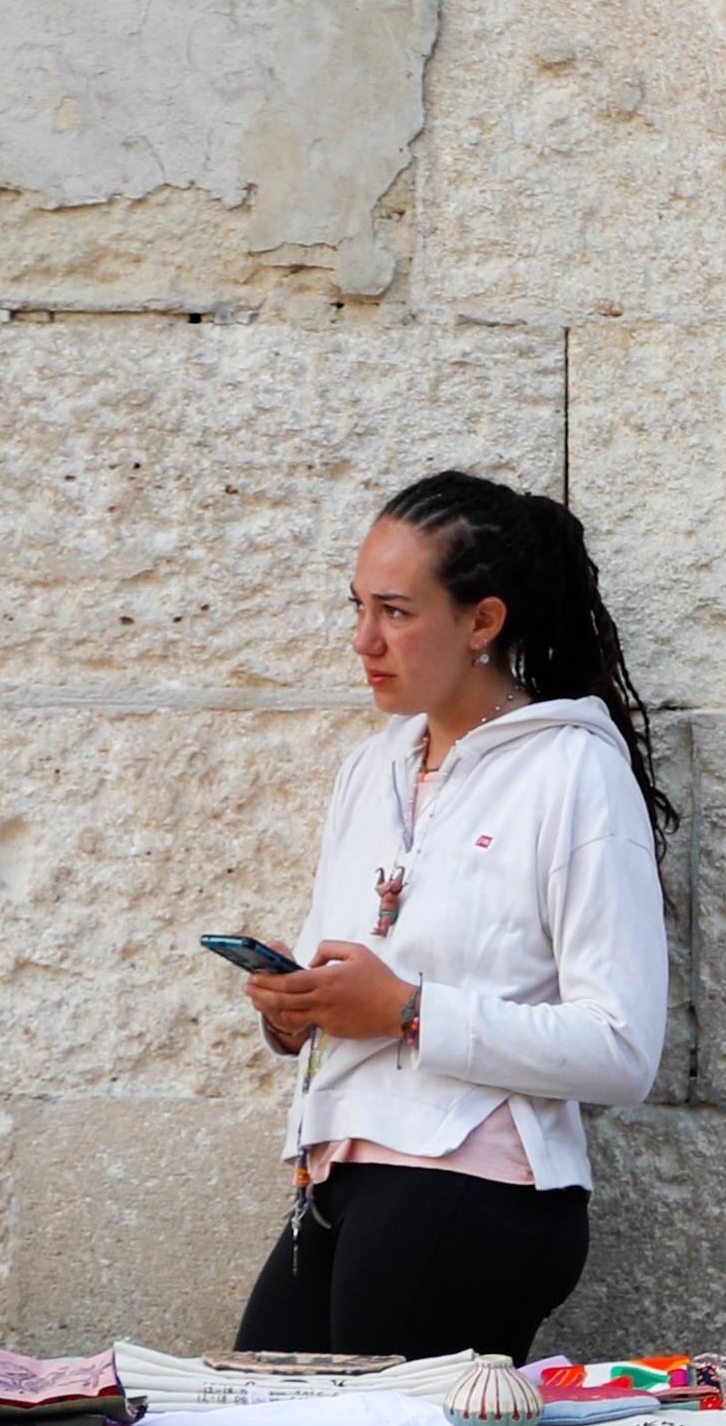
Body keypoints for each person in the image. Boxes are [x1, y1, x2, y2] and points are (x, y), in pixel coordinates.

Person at [233, 471, 673, 1364]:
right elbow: (361, 976)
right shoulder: (373, 768)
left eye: (397, 611)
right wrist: (300, 1011)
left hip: (470, 1192)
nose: (365, 640)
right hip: (335, 1179)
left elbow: (623, 1047)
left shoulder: (572, 771)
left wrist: (406, 1010)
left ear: (484, 621)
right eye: (357, 606)